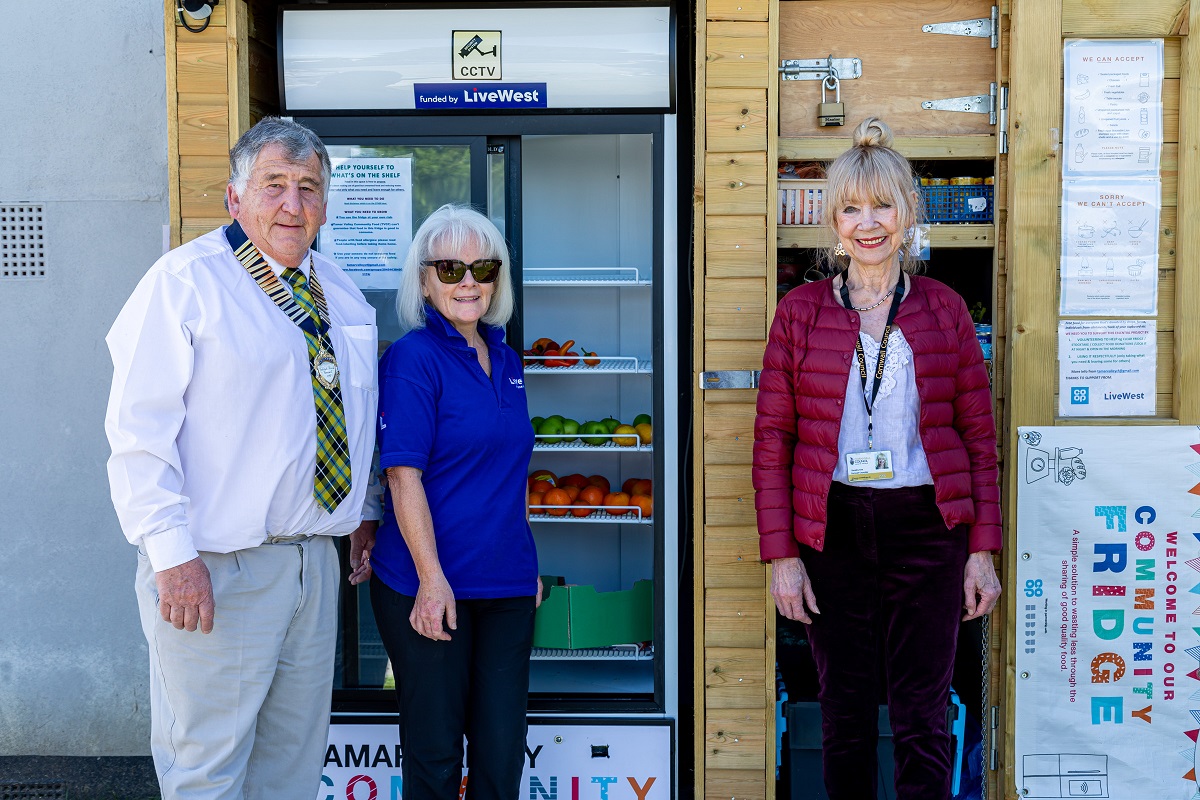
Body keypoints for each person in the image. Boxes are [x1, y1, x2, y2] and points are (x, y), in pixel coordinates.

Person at [105, 117, 381, 799]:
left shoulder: (338, 290)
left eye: (309, 188)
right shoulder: (183, 284)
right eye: (275, 185)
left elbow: (354, 417)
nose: (293, 204)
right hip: (214, 572)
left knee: (291, 768)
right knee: (208, 769)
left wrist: (363, 512)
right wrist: (172, 558)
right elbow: (138, 433)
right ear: (235, 197)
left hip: (312, 567)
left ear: (325, 203)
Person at [753, 117, 1002, 800]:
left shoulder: (944, 309)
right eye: (853, 208)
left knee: (925, 715)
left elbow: (979, 439)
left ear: (908, 214)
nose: (869, 223)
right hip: (831, 531)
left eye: (883, 205)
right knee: (846, 715)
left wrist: (981, 552)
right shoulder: (799, 314)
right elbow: (772, 442)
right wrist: (783, 558)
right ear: (833, 221)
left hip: (928, 529)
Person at [362, 204, 540, 800]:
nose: (469, 281)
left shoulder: (506, 358)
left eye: (483, 267)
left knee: (500, 754)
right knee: (436, 757)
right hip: (429, 584)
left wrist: (525, 565)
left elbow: (505, 473)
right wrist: (431, 581)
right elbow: (402, 475)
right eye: (450, 267)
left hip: (507, 587)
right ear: (423, 280)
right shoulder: (413, 359)